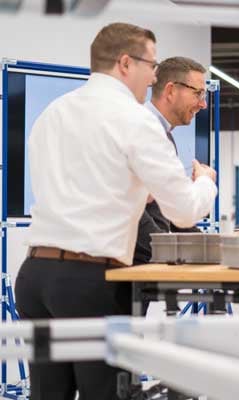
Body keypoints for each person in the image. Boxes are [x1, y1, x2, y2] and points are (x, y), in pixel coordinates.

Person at [15, 23, 217, 400]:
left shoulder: (53, 113)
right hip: (90, 281)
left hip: (35, 277)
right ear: (126, 63)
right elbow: (186, 210)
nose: (155, 76)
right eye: (151, 65)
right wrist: (206, 180)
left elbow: (83, 188)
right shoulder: (135, 119)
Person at [134, 56, 209, 265]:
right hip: (126, 266)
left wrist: (209, 248)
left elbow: (169, 207)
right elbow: (135, 210)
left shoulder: (160, 133)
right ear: (170, 91)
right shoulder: (144, 130)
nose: (203, 104)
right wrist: (166, 253)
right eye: (198, 94)